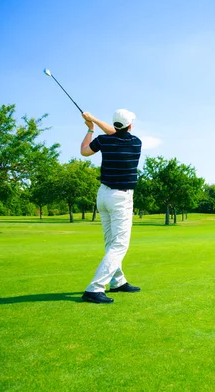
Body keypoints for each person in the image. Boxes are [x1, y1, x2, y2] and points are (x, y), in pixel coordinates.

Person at [79, 109, 142, 304]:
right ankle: (95, 288)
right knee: (119, 244)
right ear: (130, 126)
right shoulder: (135, 142)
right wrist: (94, 120)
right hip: (120, 198)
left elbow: (84, 151)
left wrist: (90, 127)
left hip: (103, 196)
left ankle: (118, 281)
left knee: (110, 242)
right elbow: (115, 132)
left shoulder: (103, 141)